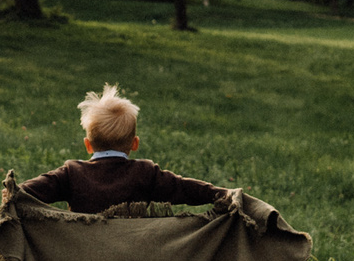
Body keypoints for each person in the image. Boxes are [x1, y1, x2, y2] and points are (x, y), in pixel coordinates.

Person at [17, 84, 227, 212]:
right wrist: (223, 194)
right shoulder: (145, 173)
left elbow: (24, 193)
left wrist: (10, 194)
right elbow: (185, 189)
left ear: (88, 145)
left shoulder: (72, 174)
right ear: (134, 144)